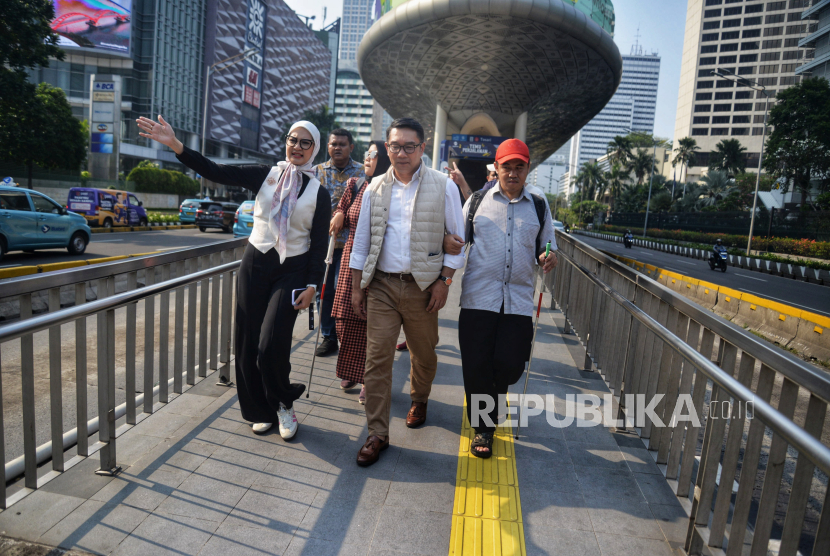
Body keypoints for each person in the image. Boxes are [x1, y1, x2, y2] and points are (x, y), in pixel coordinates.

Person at [136, 115, 330, 440]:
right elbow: (217, 171)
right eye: (292, 140)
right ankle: (258, 409)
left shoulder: (319, 194)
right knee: (247, 340)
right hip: (255, 262)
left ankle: (283, 403)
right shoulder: (266, 176)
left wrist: (313, 286)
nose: (297, 147)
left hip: (292, 270)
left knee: (272, 343)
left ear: (314, 149)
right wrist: (175, 145)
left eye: (305, 142)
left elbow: (318, 245)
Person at [349, 118, 466, 467]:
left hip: (423, 286)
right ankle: (377, 434)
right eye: (395, 146)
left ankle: (420, 397)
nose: (402, 153)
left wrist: (444, 282)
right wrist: (357, 288)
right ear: (387, 148)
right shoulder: (374, 189)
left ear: (422, 148)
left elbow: (458, 242)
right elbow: (361, 243)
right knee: (378, 359)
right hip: (382, 285)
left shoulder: (444, 186)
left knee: (424, 353)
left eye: (409, 146)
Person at [458, 139, 558, 458]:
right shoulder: (477, 200)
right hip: (477, 299)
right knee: (476, 366)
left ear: (528, 169)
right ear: (496, 168)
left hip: (517, 301)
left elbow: (548, 245)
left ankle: (496, 397)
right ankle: (483, 429)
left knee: (510, 364)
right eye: (507, 167)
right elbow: (458, 242)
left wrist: (549, 257)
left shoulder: (539, 205)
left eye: (519, 167)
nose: (513, 173)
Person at [329, 142, 392, 402]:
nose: (367, 158)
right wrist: (339, 214)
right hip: (350, 260)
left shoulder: (391, 190)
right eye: (366, 153)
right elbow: (342, 207)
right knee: (343, 319)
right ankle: (352, 370)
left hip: (378, 261)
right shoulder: (355, 185)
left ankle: (369, 377)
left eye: (373, 154)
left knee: (371, 322)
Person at [315, 129, 366, 360]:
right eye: (334, 143)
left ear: (351, 147)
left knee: (341, 291)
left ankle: (344, 335)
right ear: (328, 146)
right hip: (322, 244)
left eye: (343, 144)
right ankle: (328, 336)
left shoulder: (363, 174)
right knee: (324, 291)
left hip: (350, 246)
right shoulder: (317, 172)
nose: (338, 148)